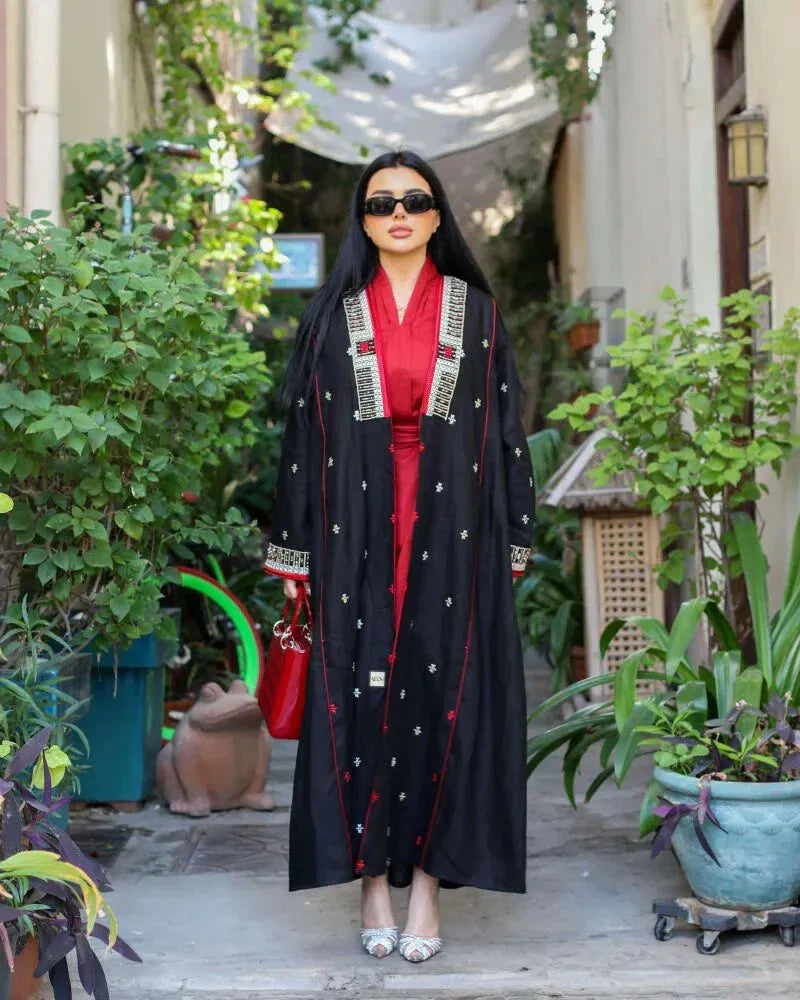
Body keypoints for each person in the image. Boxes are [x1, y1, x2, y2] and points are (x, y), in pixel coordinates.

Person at [264, 150, 534, 963]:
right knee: (359, 697)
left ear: (438, 214)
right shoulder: (331, 317)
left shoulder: (477, 315)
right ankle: (372, 884)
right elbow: (303, 442)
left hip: (454, 529)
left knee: (445, 697)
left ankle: (425, 891)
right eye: (382, 203)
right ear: (364, 219)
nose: (400, 214)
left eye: (415, 200)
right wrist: (296, 557)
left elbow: (507, 432)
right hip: (355, 532)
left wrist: (514, 535)